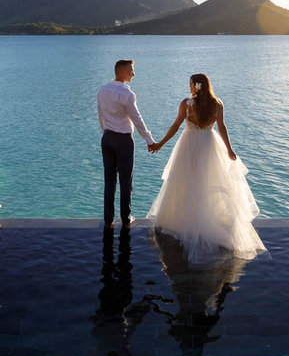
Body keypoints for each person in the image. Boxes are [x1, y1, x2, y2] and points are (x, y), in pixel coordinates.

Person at [148, 73, 265, 263]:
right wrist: (229, 149)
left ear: (195, 86)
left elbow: (176, 125)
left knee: (187, 182)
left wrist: (160, 144)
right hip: (211, 145)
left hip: (189, 146)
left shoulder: (186, 104)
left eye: (190, 84)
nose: (189, 87)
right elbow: (222, 127)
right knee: (210, 183)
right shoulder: (217, 104)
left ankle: (187, 222)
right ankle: (206, 220)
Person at [97, 60, 155, 227]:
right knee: (125, 180)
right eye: (131, 70)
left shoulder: (102, 90)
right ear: (122, 72)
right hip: (123, 140)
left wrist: (106, 132)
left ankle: (108, 219)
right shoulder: (126, 94)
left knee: (109, 179)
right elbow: (137, 119)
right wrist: (149, 140)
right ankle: (125, 218)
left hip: (107, 139)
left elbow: (101, 115)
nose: (133, 74)